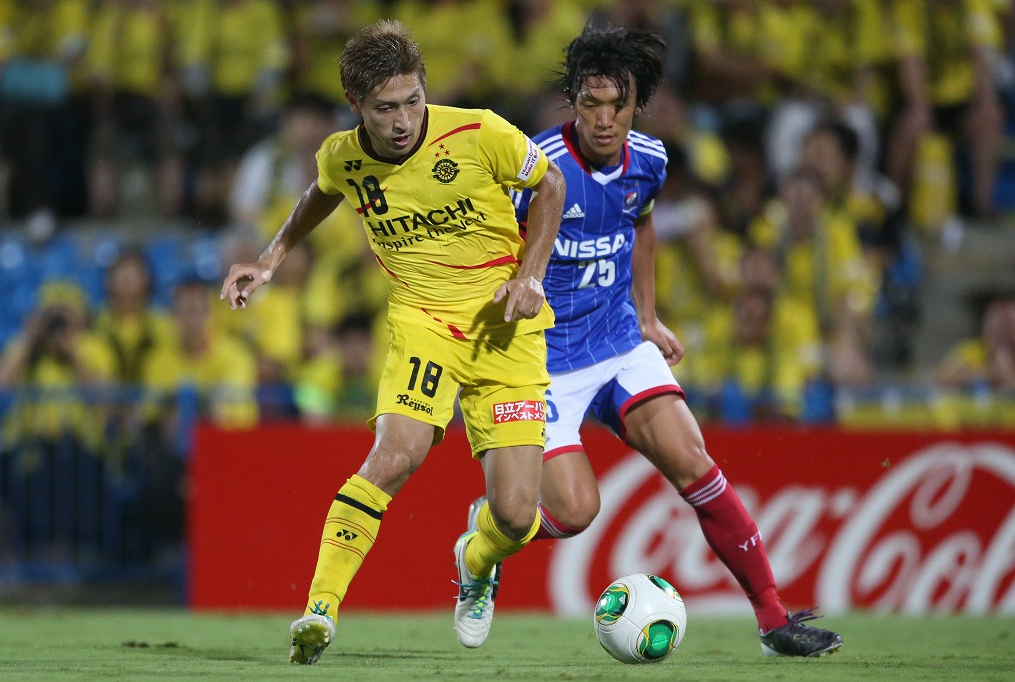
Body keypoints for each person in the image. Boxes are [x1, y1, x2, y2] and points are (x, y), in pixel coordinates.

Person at [477, 23, 843, 658]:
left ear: (636, 102)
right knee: (573, 512)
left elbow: (638, 223)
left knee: (697, 467)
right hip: (544, 364)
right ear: (573, 103)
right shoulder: (537, 167)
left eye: (617, 104)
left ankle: (774, 620)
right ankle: (482, 542)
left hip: (618, 342)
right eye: (590, 104)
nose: (603, 119)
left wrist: (647, 316)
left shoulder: (649, 158)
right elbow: (491, 247)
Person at [219, 19, 566, 665]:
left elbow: (550, 184)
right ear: (357, 107)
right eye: (386, 108)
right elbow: (321, 192)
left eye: (413, 100)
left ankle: (476, 557)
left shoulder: (480, 130)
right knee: (395, 454)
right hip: (423, 325)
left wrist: (532, 275)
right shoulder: (342, 154)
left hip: (504, 327)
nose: (404, 118)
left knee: (517, 516)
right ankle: (319, 609)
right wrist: (268, 260)